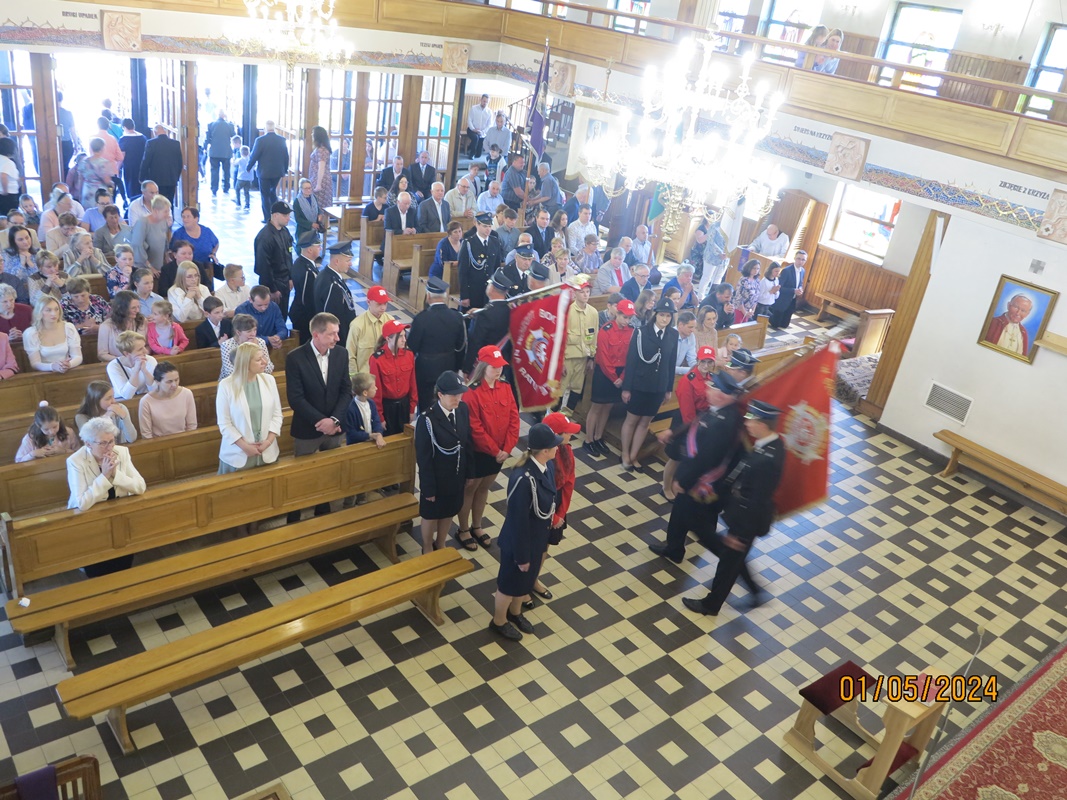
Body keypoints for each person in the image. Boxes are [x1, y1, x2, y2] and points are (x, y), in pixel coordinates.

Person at [682, 400, 785, 616]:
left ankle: (711, 605)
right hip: (744, 513)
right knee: (732, 558)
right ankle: (755, 591)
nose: (747, 423)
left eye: (751, 420)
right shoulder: (771, 445)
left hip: (748, 519)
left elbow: (756, 498)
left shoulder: (767, 459)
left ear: (762, 425)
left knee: (728, 563)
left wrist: (738, 532)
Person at [650, 371, 743, 564]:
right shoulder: (719, 411)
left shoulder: (722, 422)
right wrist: (673, 433)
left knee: (699, 524)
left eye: (711, 387)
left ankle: (731, 561)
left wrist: (683, 481)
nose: (706, 389)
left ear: (721, 394)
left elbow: (705, 458)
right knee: (681, 513)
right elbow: (697, 424)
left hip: (701, 481)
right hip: (698, 478)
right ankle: (674, 548)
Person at [489, 422, 561, 641]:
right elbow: (517, 521)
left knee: (525, 582)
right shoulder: (523, 478)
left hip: (536, 538)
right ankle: (499, 621)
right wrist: (522, 557)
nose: (558, 448)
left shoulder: (547, 466)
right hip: (519, 542)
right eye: (554, 445)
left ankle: (515, 613)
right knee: (509, 584)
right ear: (545, 450)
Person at [285, 312, 352, 522]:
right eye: (332, 334)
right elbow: (296, 399)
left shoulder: (341, 354)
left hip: (335, 427)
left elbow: (346, 391)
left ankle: (322, 512)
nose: (337, 338)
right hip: (308, 428)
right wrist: (321, 422)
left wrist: (334, 420)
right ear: (316, 334)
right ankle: (294, 515)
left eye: (337, 333)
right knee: (302, 475)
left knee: (328, 472)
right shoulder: (295, 358)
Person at [458, 345, 519, 550]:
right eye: (494, 367)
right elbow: (475, 428)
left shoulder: (505, 387)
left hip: (500, 451)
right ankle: (463, 529)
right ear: (483, 367)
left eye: (500, 366)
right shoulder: (472, 392)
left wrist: (507, 448)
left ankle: (477, 525)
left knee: (484, 488)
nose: (498, 370)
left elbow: (514, 418)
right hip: (479, 452)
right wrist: (496, 451)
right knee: (470, 489)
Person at [415, 370, 472, 553]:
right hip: (437, 478)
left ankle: (440, 542)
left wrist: (468, 473)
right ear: (440, 395)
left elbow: (466, 444)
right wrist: (428, 488)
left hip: (456, 476)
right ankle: (427, 546)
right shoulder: (427, 419)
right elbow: (424, 458)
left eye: (460, 394)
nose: (458, 398)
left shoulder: (462, 410)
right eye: (453, 395)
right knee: (431, 514)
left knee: (449, 510)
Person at [620, 298, 679, 470]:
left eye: (668, 316)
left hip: (658, 386)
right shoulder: (641, 332)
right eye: (662, 315)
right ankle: (625, 453)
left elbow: (671, 363)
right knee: (631, 420)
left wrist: (668, 389)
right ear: (655, 314)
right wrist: (626, 388)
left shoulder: (673, 334)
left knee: (645, 422)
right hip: (640, 384)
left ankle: (633, 455)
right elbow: (631, 361)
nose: (665, 319)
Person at [217, 341, 284, 474]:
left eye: (263, 357)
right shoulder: (226, 385)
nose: (265, 362)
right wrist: (245, 447)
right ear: (245, 363)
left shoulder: (269, 380)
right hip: (238, 453)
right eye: (259, 360)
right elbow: (225, 423)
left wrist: (268, 442)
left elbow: (277, 415)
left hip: (267, 450)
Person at [660, 345, 717, 501]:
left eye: (709, 362)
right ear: (697, 360)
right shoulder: (688, 380)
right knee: (676, 458)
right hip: (685, 423)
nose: (706, 365)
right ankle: (666, 488)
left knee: (688, 458)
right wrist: (695, 428)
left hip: (702, 421)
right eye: (703, 361)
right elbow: (687, 411)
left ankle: (679, 485)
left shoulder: (712, 378)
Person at [66, 417, 146, 521]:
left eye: (111, 441)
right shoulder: (76, 461)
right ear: (88, 444)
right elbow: (82, 503)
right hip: (88, 516)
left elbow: (140, 487)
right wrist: (104, 476)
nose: (109, 447)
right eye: (103, 443)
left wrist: (115, 474)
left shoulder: (122, 452)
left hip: (118, 509)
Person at [584, 298, 636, 455]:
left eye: (629, 318)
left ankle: (598, 437)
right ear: (617, 314)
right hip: (604, 372)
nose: (627, 321)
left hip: (621, 372)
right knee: (597, 406)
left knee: (608, 406)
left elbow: (631, 357)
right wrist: (614, 378)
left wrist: (623, 377)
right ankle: (589, 440)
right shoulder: (606, 330)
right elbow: (603, 357)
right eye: (624, 317)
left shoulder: (632, 331)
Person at [408, 276, 467, 413]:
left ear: (428, 296)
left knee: (426, 405)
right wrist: (458, 368)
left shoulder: (421, 319)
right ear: (445, 296)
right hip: (449, 366)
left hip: (425, 369)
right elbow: (461, 347)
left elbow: (411, 347)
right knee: (447, 403)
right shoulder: (456, 317)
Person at [368, 319, 417, 436]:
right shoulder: (377, 359)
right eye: (400, 337)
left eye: (404, 335)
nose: (404, 340)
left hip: (404, 405)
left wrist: (412, 409)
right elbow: (376, 391)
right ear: (388, 339)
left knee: (405, 438)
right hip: (387, 407)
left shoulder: (409, 354)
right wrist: (380, 417)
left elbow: (413, 384)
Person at [560, 279, 597, 413]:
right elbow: (560, 339)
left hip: (582, 359)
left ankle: (566, 417)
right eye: (582, 292)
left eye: (587, 292)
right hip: (567, 358)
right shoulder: (567, 311)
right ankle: (551, 419)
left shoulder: (593, 313)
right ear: (575, 293)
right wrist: (560, 362)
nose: (586, 295)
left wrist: (591, 358)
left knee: (576, 390)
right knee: (560, 390)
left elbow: (594, 337)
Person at [253, 201, 294, 319]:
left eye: (288, 215)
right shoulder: (265, 237)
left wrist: (290, 277)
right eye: (285, 215)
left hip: (285, 281)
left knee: (283, 315)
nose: (288, 218)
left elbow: (289, 255)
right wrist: (272, 289)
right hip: (274, 282)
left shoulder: (285, 231)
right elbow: (263, 266)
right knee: (272, 317)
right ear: (275, 215)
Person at [138, 361, 197, 439]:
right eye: (169, 381)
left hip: (184, 439)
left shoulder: (187, 393)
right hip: (159, 442)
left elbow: (192, 425)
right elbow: (146, 434)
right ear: (157, 382)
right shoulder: (146, 401)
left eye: (176, 380)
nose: (174, 385)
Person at [313, 240, 357, 346]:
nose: (351, 264)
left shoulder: (326, 274)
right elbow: (333, 319)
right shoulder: (333, 286)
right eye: (348, 261)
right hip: (338, 339)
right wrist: (341, 342)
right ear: (336, 261)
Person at [24, 295, 82, 373]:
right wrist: (52, 366)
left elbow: (77, 356)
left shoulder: (69, 328)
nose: (54, 313)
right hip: (44, 374)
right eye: (48, 310)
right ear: (40, 312)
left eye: (56, 309)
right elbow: (35, 363)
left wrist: (69, 364)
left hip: (67, 371)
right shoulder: (31, 333)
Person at [246, 120, 290, 222]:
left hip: (264, 172)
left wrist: (249, 167)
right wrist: (285, 169)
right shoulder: (281, 140)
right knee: (273, 192)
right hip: (277, 172)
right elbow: (286, 156)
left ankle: (267, 218)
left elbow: (254, 155)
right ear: (274, 127)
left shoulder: (260, 140)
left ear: (265, 128)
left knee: (265, 195)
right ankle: (276, 216)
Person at [458, 212, 503, 310]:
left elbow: (497, 268)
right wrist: (464, 295)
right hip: (474, 290)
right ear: (477, 225)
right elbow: (462, 271)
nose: (488, 229)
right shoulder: (469, 243)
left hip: (490, 290)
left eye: (490, 226)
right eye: (485, 226)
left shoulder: (495, 241)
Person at [345, 284, 392, 375]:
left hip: (386, 375)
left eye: (385, 303)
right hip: (366, 377)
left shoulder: (390, 321)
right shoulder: (357, 325)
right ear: (368, 302)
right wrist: (355, 378)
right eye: (379, 303)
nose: (383, 307)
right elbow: (350, 355)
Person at [75, 380, 138, 445]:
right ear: (95, 401)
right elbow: (92, 442)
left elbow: (132, 438)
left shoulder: (120, 408)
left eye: (113, 396)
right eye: (108, 398)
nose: (113, 401)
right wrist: (106, 417)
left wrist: (124, 417)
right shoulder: (81, 417)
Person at [140, 124, 183, 208]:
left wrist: (141, 178)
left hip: (156, 180)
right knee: (169, 202)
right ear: (165, 131)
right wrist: (176, 177)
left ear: (155, 132)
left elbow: (146, 162)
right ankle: (169, 215)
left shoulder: (151, 143)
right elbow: (180, 163)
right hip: (171, 179)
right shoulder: (176, 144)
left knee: (157, 204)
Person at [220, 313, 274, 380]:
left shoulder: (260, 342)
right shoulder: (227, 345)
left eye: (255, 330)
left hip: (257, 379)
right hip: (233, 382)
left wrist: (255, 348)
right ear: (238, 332)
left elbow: (269, 368)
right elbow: (230, 372)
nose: (253, 334)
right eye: (249, 331)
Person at [289, 232, 320, 345]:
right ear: (310, 250)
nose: (320, 248)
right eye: (318, 246)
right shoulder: (307, 271)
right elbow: (307, 299)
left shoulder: (302, 262)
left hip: (301, 313)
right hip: (304, 316)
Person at [235, 285, 288, 350]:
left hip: (274, 347)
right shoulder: (242, 310)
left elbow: (283, 329)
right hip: (249, 348)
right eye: (259, 305)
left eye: (266, 304)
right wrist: (267, 339)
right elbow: (243, 335)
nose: (263, 308)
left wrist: (277, 337)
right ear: (250, 300)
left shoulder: (274, 307)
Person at [131, 195, 173, 274]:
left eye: (168, 211)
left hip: (158, 266)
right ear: (156, 211)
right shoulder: (142, 223)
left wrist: (166, 256)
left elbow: (164, 241)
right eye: (165, 211)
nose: (168, 214)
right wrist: (150, 267)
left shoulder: (163, 221)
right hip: (143, 269)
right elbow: (137, 246)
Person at [770, 250, 806, 329]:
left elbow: (800, 283)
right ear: (795, 258)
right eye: (799, 259)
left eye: (803, 260)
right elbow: (780, 287)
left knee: (784, 325)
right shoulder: (787, 271)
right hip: (782, 300)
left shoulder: (803, 271)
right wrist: (793, 290)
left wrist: (800, 288)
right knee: (775, 325)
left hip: (792, 299)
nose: (800, 261)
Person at [74, 139, 115, 208]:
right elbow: (107, 181)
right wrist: (112, 185)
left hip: (87, 191)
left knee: (88, 212)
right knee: (102, 211)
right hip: (100, 192)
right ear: (102, 148)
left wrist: (80, 193)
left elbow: (80, 180)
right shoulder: (104, 163)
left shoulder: (84, 162)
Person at [206, 110, 237, 196]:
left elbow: (208, 138)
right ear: (224, 116)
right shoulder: (229, 125)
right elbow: (234, 135)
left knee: (214, 171)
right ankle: (226, 187)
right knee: (226, 171)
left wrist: (205, 148)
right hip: (226, 152)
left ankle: (214, 189)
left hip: (214, 152)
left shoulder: (211, 125)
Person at [118, 119, 146, 201]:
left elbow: (122, 155)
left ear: (124, 127)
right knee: (141, 185)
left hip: (129, 167)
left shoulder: (124, 139)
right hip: (141, 166)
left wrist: (118, 167)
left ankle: (132, 201)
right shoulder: (143, 138)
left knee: (131, 186)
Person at [466, 94, 492, 159]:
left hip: (482, 133)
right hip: (472, 130)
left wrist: (482, 132)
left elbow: (489, 125)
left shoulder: (489, 112)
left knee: (478, 155)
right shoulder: (473, 108)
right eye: (484, 101)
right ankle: (471, 154)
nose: (485, 103)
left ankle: (470, 147)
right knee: (475, 138)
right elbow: (469, 120)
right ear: (481, 100)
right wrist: (473, 129)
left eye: (487, 102)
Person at [674, 310, 698, 375]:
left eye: (694, 327)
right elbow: (667, 366)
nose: (693, 330)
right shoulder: (669, 336)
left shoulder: (691, 336)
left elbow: (692, 359)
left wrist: (697, 369)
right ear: (680, 325)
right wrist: (690, 370)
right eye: (690, 327)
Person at [233, 145, 253, 210]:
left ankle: (238, 202)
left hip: (241, 178)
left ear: (241, 153)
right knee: (246, 192)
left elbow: (234, 163)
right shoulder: (251, 160)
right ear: (249, 152)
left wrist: (233, 159)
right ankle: (247, 204)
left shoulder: (240, 160)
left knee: (237, 189)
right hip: (249, 179)